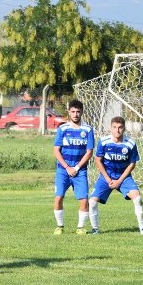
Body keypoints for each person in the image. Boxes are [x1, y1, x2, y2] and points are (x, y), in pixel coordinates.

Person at [89, 116, 143, 235]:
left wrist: (119, 181)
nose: (117, 130)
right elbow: (98, 160)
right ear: (110, 128)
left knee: (138, 198)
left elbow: (132, 164)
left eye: (120, 127)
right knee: (92, 202)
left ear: (124, 129)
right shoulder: (103, 141)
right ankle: (95, 229)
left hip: (124, 177)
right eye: (114, 127)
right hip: (106, 177)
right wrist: (107, 179)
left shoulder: (130, 144)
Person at [52, 99, 95, 234]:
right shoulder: (63, 129)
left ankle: (80, 228)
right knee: (58, 197)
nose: (75, 114)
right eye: (73, 111)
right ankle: (60, 226)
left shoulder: (88, 130)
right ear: (69, 112)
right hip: (63, 170)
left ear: (82, 112)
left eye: (78, 111)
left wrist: (76, 168)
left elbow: (89, 152)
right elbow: (56, 151)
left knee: (84, 200)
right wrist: (67, 167)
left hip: (80, 171)